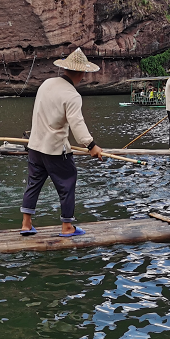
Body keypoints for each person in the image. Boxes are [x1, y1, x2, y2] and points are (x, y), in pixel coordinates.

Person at [20, 48, 104, 238]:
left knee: (33, 184)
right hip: (55, 149)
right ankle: (67, 227)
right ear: (82, 73)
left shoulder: (46, 84)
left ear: (66, 69)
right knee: (67, 183)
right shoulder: (72, 95)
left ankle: (26, 224)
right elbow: (77, 124)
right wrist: (91, 146)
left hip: (35, 146)